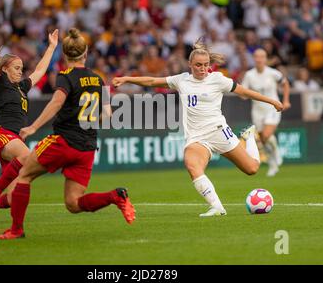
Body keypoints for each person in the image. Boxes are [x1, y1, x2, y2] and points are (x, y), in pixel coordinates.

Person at [112, 39, 284, 217]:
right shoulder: (181, 80)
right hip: (197, 138)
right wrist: (126, 78)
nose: (203, 69)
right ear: (190, 64)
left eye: (206, 65)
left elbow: (244, 92)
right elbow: (152, 81)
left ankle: (249, 137)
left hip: (219, 132)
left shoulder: (217, 79)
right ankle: (217, 207)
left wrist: (271, 101)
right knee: (192, 165)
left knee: (252, 169)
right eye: (198, 65)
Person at [0, 28, 135, 240]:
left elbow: (57, 102)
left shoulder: (66, 76)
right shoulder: (98, 79)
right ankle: (115, 196)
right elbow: (107, 115)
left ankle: (16, 230)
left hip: (63, 142)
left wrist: (33, 127)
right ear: (85, 54)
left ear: (66, 56)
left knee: (24, 176)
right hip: (87, 147)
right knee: (74, 203)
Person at [0, 18, 59, 219]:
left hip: (14, 139)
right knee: (28, 158)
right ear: (5, 69)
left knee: (14, 195)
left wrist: (51, 47)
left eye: (21, 68)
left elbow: (40, 70)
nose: (20, 71)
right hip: (2, 135)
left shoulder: (22, 87)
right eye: (17, 68)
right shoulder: (1, 83)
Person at [241, 49, 291, 177]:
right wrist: (244, 95)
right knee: (263, 139)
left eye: (262, 57)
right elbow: (243, 92)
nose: (259, 59)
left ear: (266, 58)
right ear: (254, 58)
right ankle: (273, 162)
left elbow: (285, 84)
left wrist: (285, 100)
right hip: (257, 111)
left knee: (266, 135)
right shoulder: (249, 75)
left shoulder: (273, 73)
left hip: (272, 109)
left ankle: (275, 157)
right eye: (256, 57)